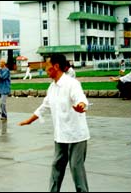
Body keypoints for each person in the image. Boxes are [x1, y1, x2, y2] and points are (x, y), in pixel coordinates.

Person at [18, 54, 90, 192]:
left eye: (48, 67)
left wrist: (81, 105)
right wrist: (29, 120)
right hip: (61, 135)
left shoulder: (72, 84)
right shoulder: (52, 87)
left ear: (56, 67)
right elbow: (44, 106)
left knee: (76, 167)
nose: (46, 70)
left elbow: (81, 99)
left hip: (76, 135)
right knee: (56, 166)